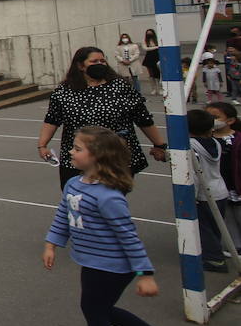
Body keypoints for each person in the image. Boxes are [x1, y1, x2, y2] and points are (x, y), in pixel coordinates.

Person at [42, 126, 187, 326]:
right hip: (91, 260)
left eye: (77, 148)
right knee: (101, 310)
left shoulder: (108, 197)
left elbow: (129, 237)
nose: (70, 152)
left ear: (98, 156)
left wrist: (145, 274)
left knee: (95, 312)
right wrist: (52, 243)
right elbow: (63, 215)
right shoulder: (74, 184)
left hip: (112, 265)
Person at [37, 47, 167, 189]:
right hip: (78, 159)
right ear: (80, 65)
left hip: (113, 157)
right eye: (94, 61)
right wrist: (42, 145)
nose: (100, 64)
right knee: (76, 199)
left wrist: (159, 145)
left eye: (103, 61)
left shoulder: (120, 87)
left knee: (109, 200)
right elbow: (52, 119)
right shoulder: (64, 91)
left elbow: (143, 118)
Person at [188, 109, 231, 273]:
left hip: (204, 194)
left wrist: (191, 196)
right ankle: (217, 251)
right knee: (215, 225)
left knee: (204, 227)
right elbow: (218, 123)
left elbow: (194, 175)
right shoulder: (215, 142)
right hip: (220, 190)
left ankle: (214, 259)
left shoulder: (192, 146)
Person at [141, 29, 161, 96]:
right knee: (151, 74)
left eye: (150, 33)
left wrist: (156, 47)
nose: (149, 35)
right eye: (148, 33)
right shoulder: (144, 40)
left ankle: (159, 89)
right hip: (149, 57)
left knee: (158, 73)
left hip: (157, 56)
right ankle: (153, 89)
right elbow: (145, 48)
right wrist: (156, 47)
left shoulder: (157, 39)